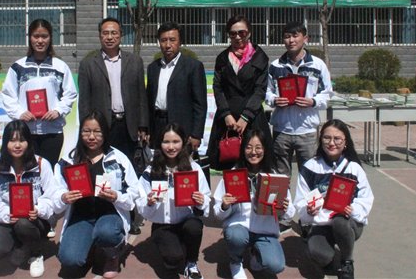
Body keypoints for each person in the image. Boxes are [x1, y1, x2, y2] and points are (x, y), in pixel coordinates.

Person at [78, 17, 148, 234]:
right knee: (103, 170)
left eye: (114, 33)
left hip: (128, 125)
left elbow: (141, 95)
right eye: (105, 33)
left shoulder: (134, 61)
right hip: (102, 128)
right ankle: (102, 213)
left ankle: (132, 217)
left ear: (121, 35)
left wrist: (143, 125)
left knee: (129, 172)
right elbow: (84, 101)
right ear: (100, 36)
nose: (110, 37)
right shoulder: (88, 64)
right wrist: (86, 130)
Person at [50, 110, 139, 279]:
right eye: (86, 131)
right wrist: (63, 197)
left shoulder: (117, 158)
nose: (91, 137)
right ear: (80, 133)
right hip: (81, 216)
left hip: (110, 215)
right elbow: (55, 191)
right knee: (70, 260)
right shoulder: (69, 160)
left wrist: (117, 197)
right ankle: (89, 243)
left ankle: (112, 254)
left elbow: (134, 191)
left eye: (97, 132)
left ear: (105, 133)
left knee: (106, 232)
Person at [294, 119, 374, 279]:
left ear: (346, 142)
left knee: (340, 222)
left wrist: (353, 210)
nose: (331, 143)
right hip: (320, 223)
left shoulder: (354, 168)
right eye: (327, 138)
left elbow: (366, 198)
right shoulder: (310, 167)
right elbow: (300, 200)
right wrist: (308, 210)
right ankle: (323, 250)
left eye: (337, 139)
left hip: (347, 222)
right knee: (320, 255)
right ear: (320, 139)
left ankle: (347, 262)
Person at [213, 129, 295, 279]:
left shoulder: (275, 176)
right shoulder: (234, 174)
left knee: (276, 265)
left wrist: (285, 207)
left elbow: (290, 213)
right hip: (239, 226)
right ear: (243, 149)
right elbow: (218, 214)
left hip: (265, 230)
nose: (253, 152)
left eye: (258, 147)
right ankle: (235, 261)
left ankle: (256, 255)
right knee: (235, 236)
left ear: (265, 150)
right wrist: (224, 205)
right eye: (249, 147)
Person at [137, 123, 211, 279]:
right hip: (163, 225)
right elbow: (141, 205)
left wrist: (200, 200)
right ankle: (173, 247)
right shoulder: (151, 171)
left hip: (186, 221)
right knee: (173, 259)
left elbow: (206, 200)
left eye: (176, 141)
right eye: (166, 142)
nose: (171, 147)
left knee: (194, 227)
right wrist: (149, 202)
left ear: (183, 143)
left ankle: (191, 263)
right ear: (160, 143)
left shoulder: (193, 168)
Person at [0, 120, 57, 278]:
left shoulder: (41, 164)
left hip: (36, 219)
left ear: (29, 142)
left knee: (23, 225)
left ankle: (36, 253)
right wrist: (7, 214)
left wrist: (38, 209)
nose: (17, 145)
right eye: (12, 141)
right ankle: (23, 242)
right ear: (5, 143)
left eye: (22, 140)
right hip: (10, 218)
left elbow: (51, 196)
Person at [2, 18, 78, 167]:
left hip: (52, 132)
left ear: (50, 38)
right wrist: (19, 113)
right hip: (25, 132)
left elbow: (70, 94)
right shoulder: (18, 67)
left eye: (44, 36)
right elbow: (8, 94)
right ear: (30, 38)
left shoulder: (60, 66)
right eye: (36, 36)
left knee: (48, 170)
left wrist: (58, 111)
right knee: (27, 170)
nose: (40, 41)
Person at [266, 21, 332, 177]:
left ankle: (307, 195)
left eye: (295, 36)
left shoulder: (317, 65)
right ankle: (284, 195)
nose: (291, 40)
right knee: (280, 176)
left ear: (305, 38)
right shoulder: (275, 66)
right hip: (282, 129)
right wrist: (274, 100)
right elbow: (267, 91)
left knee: (309, 174)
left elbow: (327, 93)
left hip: (307, 130)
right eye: (287, 36)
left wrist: (313, 101)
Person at [208, 15, 271, 171]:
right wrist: (226, 114)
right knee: (228, 163)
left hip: (252, 117)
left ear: (249, 33)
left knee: (255, 162)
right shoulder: (222, 58)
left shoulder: (260, 57)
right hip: (227, 119)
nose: (237, 37)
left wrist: (245, 117)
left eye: (241, 33)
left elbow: (260, 90)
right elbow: (218, 87)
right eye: (233, 33)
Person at [146, 22, 207, 153]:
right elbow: (148, 101)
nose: (168, 45)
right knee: (159, 162)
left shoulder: (193, 67)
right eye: (163, 40)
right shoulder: (153, 68)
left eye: (172, 40)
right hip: (158, 125)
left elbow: (200, 104)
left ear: (180, 42)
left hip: (182, 127)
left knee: (182, 163)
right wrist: (148, 129)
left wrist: (196, 134)